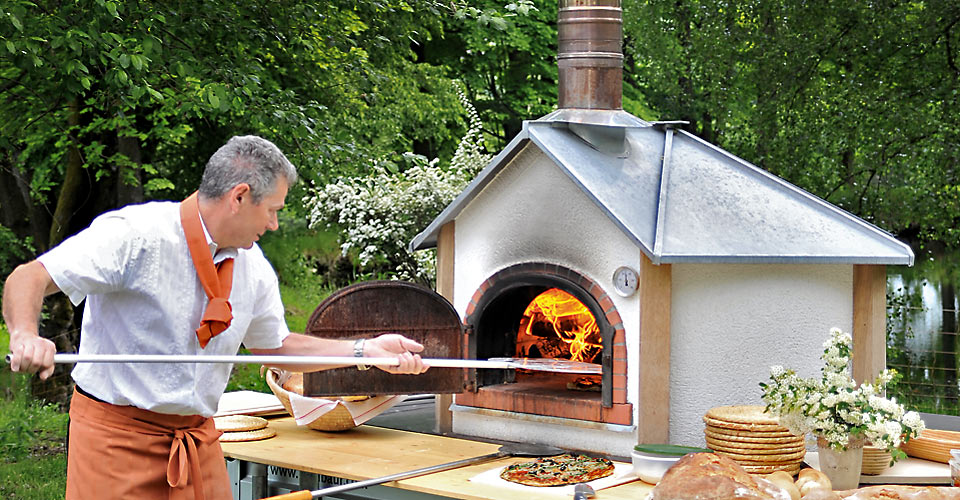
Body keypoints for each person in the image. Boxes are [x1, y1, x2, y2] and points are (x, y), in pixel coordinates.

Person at [2, 135, 429, 499]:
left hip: (197, 441)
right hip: (116, 442)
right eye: (273, 209)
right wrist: (25, 334)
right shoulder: (133, 235)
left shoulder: (253, 267)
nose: (276, 224)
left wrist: (365, 350)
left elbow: (276, 348)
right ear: (239, 196)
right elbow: (29, 277)